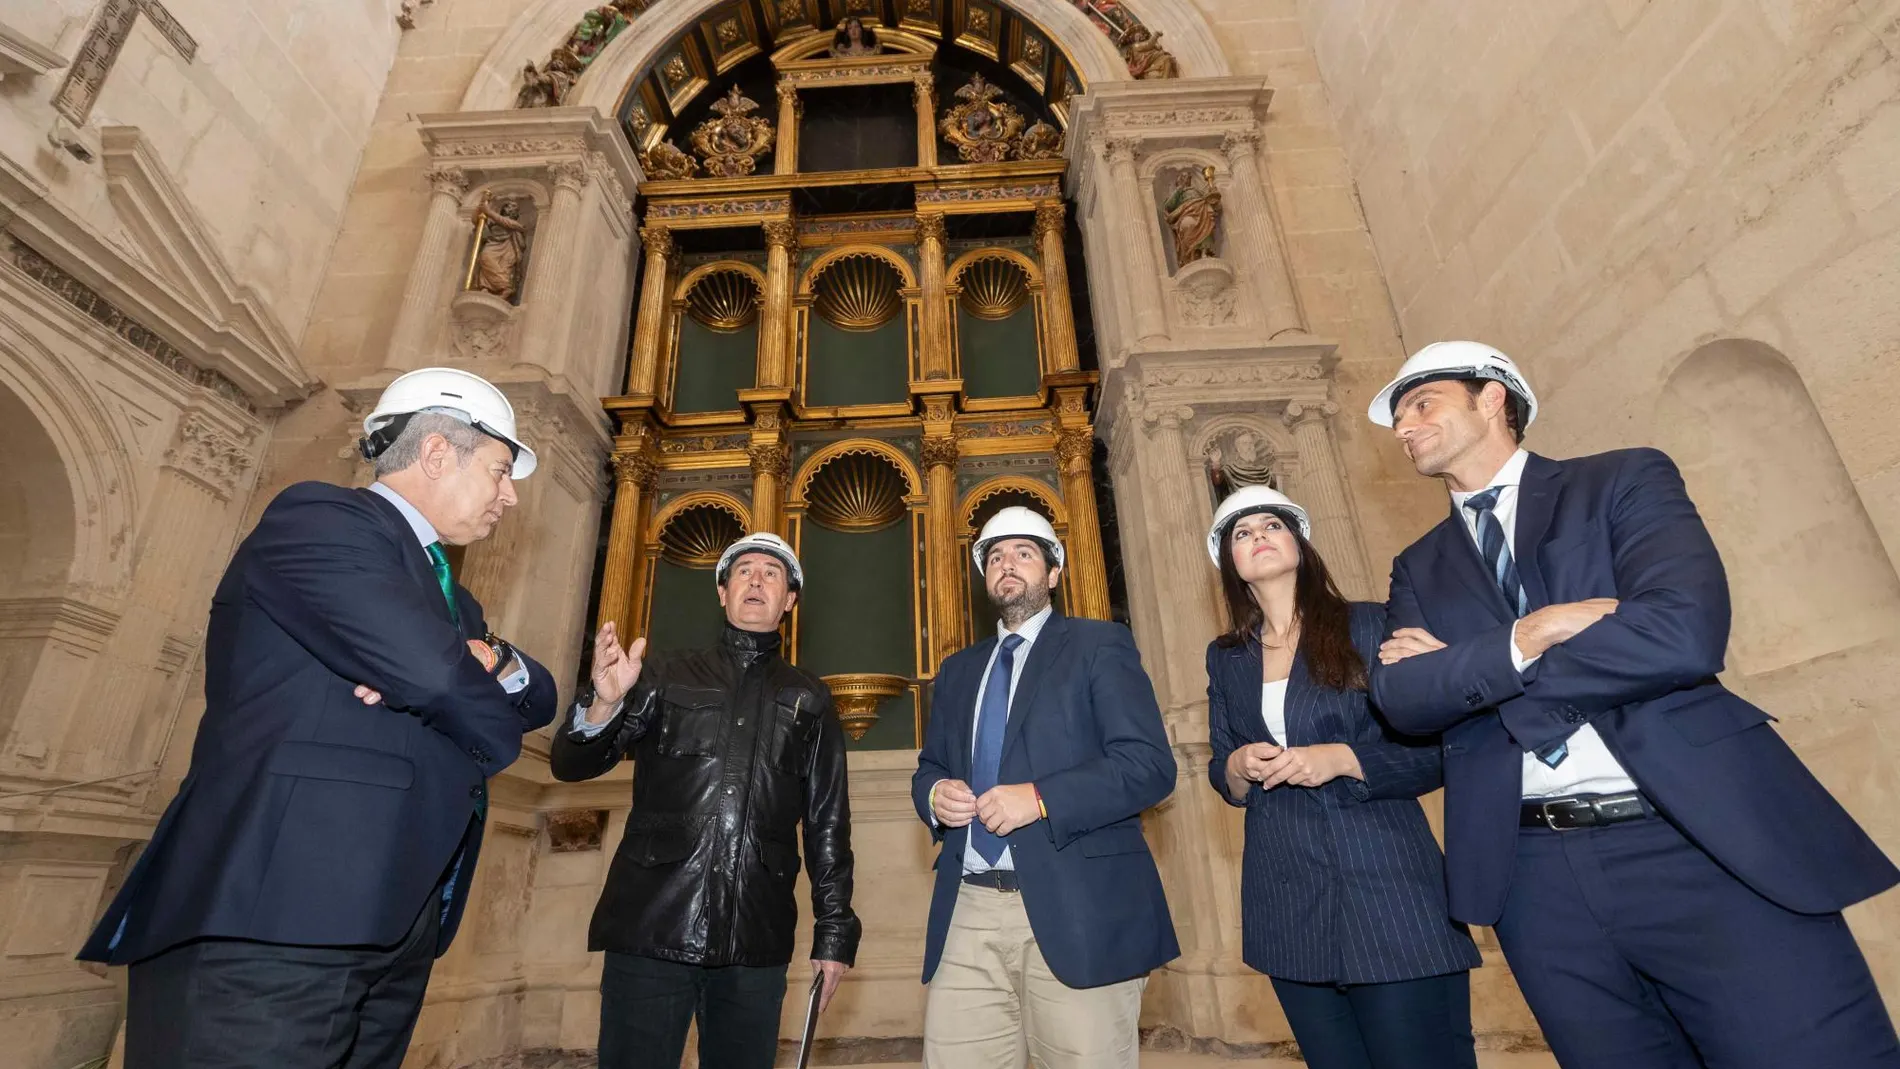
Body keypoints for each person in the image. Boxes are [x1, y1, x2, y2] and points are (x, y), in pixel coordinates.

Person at [1366, 340, 1900, 1068]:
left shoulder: (1620, 481)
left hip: (1698, 836)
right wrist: (1533, 632)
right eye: (1397, 417)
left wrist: (1479, 677)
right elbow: (1402, 699)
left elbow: (1682, 632)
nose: (1404, 427)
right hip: (1535, 877)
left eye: (1421, 404)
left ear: (1492, 398)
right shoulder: (1417, 565)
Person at [79, 367, 560, 1068]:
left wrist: (475, 661)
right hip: (278, 919)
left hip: (387, 923)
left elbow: (533, 693)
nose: (509, 496)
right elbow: (447, 687)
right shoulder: (321, 519)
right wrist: (446, 674)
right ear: (434, 453)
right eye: (498, 470)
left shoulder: (446, 592)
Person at [551, 532, 858, 1069]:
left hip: (755, 934)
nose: (757, 579)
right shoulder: (662, 674)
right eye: (743, 571)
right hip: (652, 926)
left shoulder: (809, 697)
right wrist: (602, 704)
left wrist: (834, 934)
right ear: (722, 591)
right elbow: (572, 766)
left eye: (772, 573)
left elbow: (828, 821)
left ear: (789, 600)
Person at [1203, 485, 1479, 1069]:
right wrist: (1236, 767)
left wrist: (1344, 759)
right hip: (1286, 897)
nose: (1257, 538)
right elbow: (1221, 766)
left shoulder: (1372, 625)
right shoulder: (1226, 655)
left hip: (1388, 888)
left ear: (1299, 542)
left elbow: (1440, 750)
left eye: (1271, 525)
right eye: (1241, 533)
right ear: (1229, 562)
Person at [912, 506, 1179, 1069]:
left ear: (1054, 573)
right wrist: (935, 797)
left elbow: (1148, 766)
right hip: (967, 909)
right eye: (996, 556)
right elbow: (930, 766)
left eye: (1024, 553)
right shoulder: (958, 670)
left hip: (1079, 906)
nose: (1007, 564)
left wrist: (1039, 798)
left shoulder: (1099, 645)